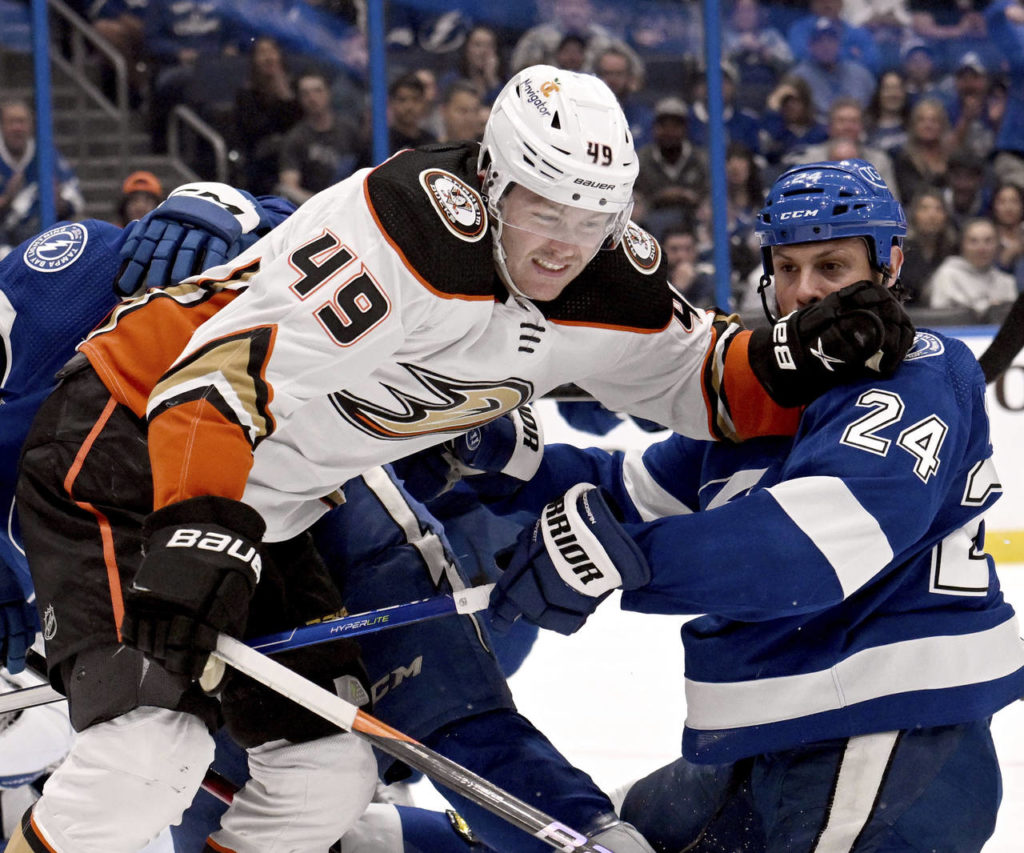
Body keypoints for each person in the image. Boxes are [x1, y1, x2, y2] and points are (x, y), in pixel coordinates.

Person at [8, 66, 915, 853]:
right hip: (130, 452)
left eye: (594, 217)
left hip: (273, 504)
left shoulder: (607, 275)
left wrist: (806, 352)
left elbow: (708, 384)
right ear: (491, 181)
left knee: (327, 775)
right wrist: (198, 533)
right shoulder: (403, 232)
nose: (565, 244)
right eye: (544, 209)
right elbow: (213, 381)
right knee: (146, 754)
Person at [426, 158, 1024, 852]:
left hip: (887, 739)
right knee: (590, 840)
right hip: (768, 744)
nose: (804, 291)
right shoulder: (766, 392)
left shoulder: (920, 371)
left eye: (831, 267)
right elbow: (635, 494)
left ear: (889, 265)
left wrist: (620, 559)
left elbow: (809, 549)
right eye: (788, 267)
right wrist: (504, 460)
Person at [0, 98, 84, 252]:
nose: (17, 128)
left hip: (42, 238)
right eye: (11, 122)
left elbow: (76, 200)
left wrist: (59, 201)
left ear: (31, 125)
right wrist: (7, 198)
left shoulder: (47, 154)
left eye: (22, 121)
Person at [277, 71, 363, 206]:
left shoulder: (350, 131)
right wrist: (322, 204)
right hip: (311, 208)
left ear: (329, 93)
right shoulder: (295, 138)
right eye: (305, 93)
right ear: (299, 98)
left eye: (317, 91)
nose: (312, 98)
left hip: (350, 205)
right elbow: (289, 187)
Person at [789, 17, 877, 123]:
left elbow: (874, 110)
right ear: (810, 46)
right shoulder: (797, 78)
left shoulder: (861, 74)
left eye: (831, 40)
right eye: (819, 41)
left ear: (839, 44)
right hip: (815, 129)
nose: (826, 46)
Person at [928, 217, 1017, 321]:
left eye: (988, 241)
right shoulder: (947, 275)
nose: (981, 248)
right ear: (962, 245)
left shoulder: (1007, 282)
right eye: (973, 241)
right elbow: (940, 318)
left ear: (997, 245)